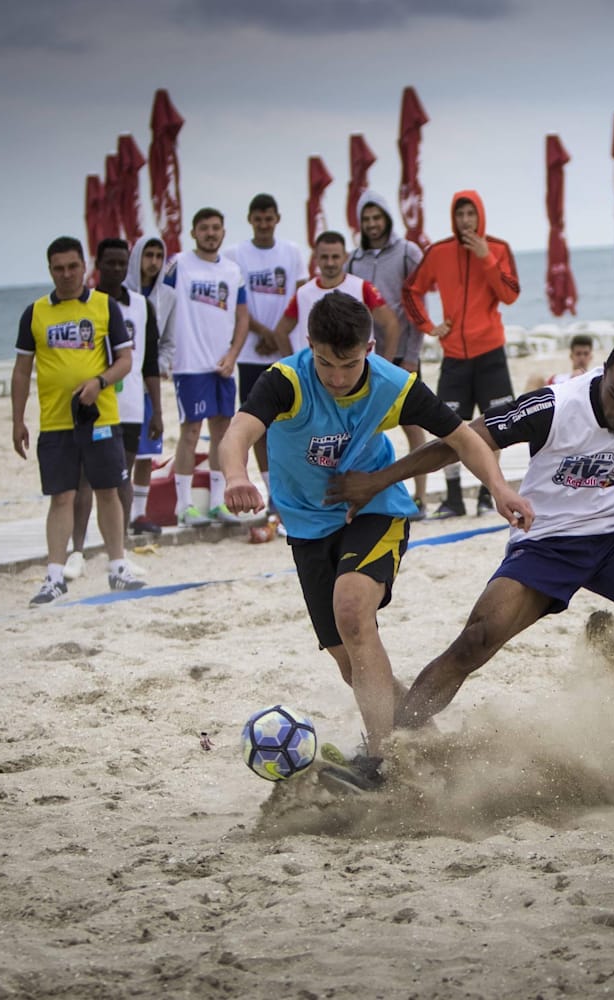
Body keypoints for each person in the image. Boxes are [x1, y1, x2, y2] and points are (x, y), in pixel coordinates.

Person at [326, 338, 614, 755]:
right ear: (602, 372)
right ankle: (388, 745)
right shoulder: (555, 405)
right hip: (546, 542)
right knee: (475, 641)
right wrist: (379, 480)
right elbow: (460, 441)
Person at [220, 293, 530, 784]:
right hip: (305, 527)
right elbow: (238, 432)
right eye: (325, 362)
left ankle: (383, 762)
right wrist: (237, 476)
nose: (337, 377)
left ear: (368, 347)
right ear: (309, 346)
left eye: (348, 364)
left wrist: (498, 487)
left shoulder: (392, 384)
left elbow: (463, 438)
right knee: (352, 663)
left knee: (352, 611)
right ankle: (421, 737)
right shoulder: (288, 381)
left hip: (372, 510)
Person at [11, 236, 145, 605]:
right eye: (58, 268)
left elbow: (125, 360)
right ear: (50, 269)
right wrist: (17, 419)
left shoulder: (104, 306)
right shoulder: (35, 313)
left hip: (100, 416)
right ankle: (54, 576)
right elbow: (22, 371)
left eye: (73, 266)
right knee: (62, 497)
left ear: (84, 266)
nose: (67, 274)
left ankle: (118, 566)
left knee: (108, 491)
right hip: (55, 422)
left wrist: (99, 381)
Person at [402, 190, 520, 518]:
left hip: (491, 353)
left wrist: (486, 258)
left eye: (471, 214)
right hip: (453, 355)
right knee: (447, 427)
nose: (465, 221)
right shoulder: (439, 252)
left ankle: (486, 494)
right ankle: (453, 499)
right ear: (453, 218)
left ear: (480, 216)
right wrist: (428, 326)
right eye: (460, 215)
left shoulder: (497, 248)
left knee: (496, 427)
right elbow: (411, 289)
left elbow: (510, 294)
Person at [63, 239, 164, 579]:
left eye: (123, 264)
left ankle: (117, 553)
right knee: (85, 479)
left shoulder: (141, 305)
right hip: (95, 403)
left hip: (133, 404)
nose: (118, 270)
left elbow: (149, 361)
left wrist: (158, 410)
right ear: (98, 264)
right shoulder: (87, 304)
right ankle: (76, 549)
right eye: (111, 263)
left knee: (121, 477)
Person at [162, 207, 251, 527]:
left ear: (223, 232)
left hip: (222, 365)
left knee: (223, 434)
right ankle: (184, 506)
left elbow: (243, 317)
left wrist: (233, 354)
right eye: (204, 228)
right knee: (189, 433)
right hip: (189, 364)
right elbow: (162, 308)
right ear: (193, 232)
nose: (210, 233)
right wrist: (163, 353)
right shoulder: (178, 265)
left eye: (216, 228)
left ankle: (218, 502)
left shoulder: (232, 270)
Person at [348, 190, 429, 518]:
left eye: (377, 217)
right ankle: (369, 496)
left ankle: (420, 496)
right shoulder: (354, 259)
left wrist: (411, 355)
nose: (372, 225)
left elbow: (419, 305)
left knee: (412, 425)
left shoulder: (408, 252)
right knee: (366, 426)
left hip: (402, 355)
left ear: (386, 218)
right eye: (366, 220)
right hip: (366, 357)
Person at [230, 193, 306, 515]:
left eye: (268, 218)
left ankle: (295, 486)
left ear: (277, 218)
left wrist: (277, 336)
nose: (263, 225)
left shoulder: (291, 252)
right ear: (250, 219)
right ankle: (273, 490)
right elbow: (237, 303)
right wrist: (263, 333)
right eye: (258, 219)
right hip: (250, 352)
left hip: (285, 350)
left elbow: (301, 294)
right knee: (258, 424)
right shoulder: (235, 254)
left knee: (290, 422)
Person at [272, 231, 397, 357]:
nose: (330, 263)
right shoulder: (303, 293)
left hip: (358, 373)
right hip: (313, 373)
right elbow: (281, 332)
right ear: (316, 258)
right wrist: (293, 368)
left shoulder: (363, 288)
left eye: (335, 257)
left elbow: (391, 324)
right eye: (324, 257)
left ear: (345, 257)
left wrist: (384, 367)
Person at [127, 235, 176, 534]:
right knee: (124, 453)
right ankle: (120, 512)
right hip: (120, 384)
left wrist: (158, 367)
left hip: (150, 385)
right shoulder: (120, 295)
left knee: (147, 451)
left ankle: (139, 514)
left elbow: (169, 341)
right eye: (148, 255)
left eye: (159, 255)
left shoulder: (168, 296)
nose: (154, 261)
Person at [524, 333, 594, 391]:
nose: (582, 358)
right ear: (571, 356)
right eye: (578, 354)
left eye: (586, 354)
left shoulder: (594, 379)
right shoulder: (557, 379)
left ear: (591, 356)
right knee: (536, 378)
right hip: (555, 403)